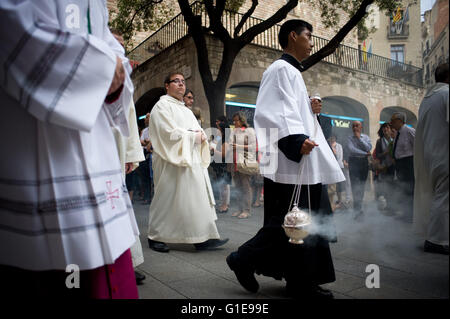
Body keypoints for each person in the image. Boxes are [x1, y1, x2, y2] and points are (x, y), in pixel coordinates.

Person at [0, 0, 139, 298]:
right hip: (31, 144)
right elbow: (13, 28)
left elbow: (116, 55)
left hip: (98, 148)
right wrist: (105, 67)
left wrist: (111, 71)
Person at [226, 20, 344, 299]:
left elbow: (292, 110)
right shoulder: (280, 69)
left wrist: (309, 107)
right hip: (292, 161)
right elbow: (272, 112)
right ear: (293, 36)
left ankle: (299, 279)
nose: (312, 42)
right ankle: (246, 259)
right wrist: (293, 141)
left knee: (298, 221)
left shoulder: (291, 71)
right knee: (292, 222)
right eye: (308, 36)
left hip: (299, 161)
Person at [147, 72, 228, 253]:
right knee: (167, 198)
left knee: (194, 199)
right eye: (176, 81)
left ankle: (201, 237)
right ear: (167, 86)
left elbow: (197, 131)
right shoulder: (161, 106)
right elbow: (166, 133)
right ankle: (155, 236)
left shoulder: (185, 109)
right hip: (172, 161)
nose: (181, 84)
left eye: (183, 82)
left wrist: (202, 138)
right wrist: (193, 137)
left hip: (192, 161)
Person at [111, 29, 147, 285]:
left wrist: (130, 153)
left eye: (123, 46)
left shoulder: (122, 75)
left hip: (116, 149)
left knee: (117, 206)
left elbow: (129, 116)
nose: (121, 50)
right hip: (97, 148)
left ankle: (125, 260)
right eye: (116, 43)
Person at [413, 63, 449, 255]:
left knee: (438, 196)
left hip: (431, 155)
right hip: (445, 154)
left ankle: (437, 236)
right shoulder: (447, 94)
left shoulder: (428, 98)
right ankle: (436, 240)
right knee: (444, 197)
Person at [228, 112, 258, 219]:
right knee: (237, 187)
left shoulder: (249, 131)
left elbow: (254, 147)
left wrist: (238, 146)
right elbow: (230, 145)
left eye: (236, 120)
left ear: (242, 120)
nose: (235, 122)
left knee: (246, 187)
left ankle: (247, 210)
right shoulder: (233, 131)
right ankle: (239, 209)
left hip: (245, 162)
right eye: (234, 120)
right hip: (234, 162)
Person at [390, 112, 415, 222]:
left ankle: (411, 215)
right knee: (403, 189)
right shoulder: (398, 133)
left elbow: (418, 145)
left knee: (409, 189)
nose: (391, 123)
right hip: (400, 164)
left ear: (400, 121)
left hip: (408, 163)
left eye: (393, 120)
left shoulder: (409, 131)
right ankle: (405, 213)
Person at [344, 121, 372, 219]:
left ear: (361, 127)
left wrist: (359, 138)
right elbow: (352, 149)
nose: (355, 127)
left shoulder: (366, 137)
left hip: (364, 163)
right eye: (353, 126)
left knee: (362, 186)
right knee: (355, 186)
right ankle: (357, 210)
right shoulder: (349, 138)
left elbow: (368, 147)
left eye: (357, 126)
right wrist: (365, 153)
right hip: (354, 161)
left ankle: (359, 207)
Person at [210, 117, 232, 214]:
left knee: (224, 186)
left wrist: (214, 150)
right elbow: (213, 144)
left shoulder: (226, 141)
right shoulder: (219, 138)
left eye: (219, 129)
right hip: (218, 166)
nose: (217, 131)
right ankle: (223, 203)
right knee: (221, 185)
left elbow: (223, 154)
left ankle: (225, 205)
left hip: (223, 166)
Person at [373, 123, 395, 214]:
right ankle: (388, 206)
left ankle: (394, 205)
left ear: (390, 129)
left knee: (394, 186)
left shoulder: (394, 139)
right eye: (384, 128)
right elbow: (377, 155)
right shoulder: (379, 141)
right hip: (384, 167)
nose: (385, 129)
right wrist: (385, 152)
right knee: (387, 186)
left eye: (387, 127)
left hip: (394, 166)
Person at [328, 135, 345, 210]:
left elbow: (339, 157)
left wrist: (334, 151)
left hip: (338, 167)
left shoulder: (339, 146)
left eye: (333, 138)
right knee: (330, 186)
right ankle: (331, 203)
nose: (332, 139)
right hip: (330, 168)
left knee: (339, 185)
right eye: (331, 138)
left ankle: (340, 201)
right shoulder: (327, 145)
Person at [139, 113, 152, 205]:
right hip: (145, 155)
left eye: (147, 117)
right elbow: (141, 142)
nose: (145, 119)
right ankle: (146, 197)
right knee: (145, 177)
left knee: (153, 178)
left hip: (153, 154)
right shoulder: (144, 131)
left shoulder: (156, 130)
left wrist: (148, 142)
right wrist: (148, 142)